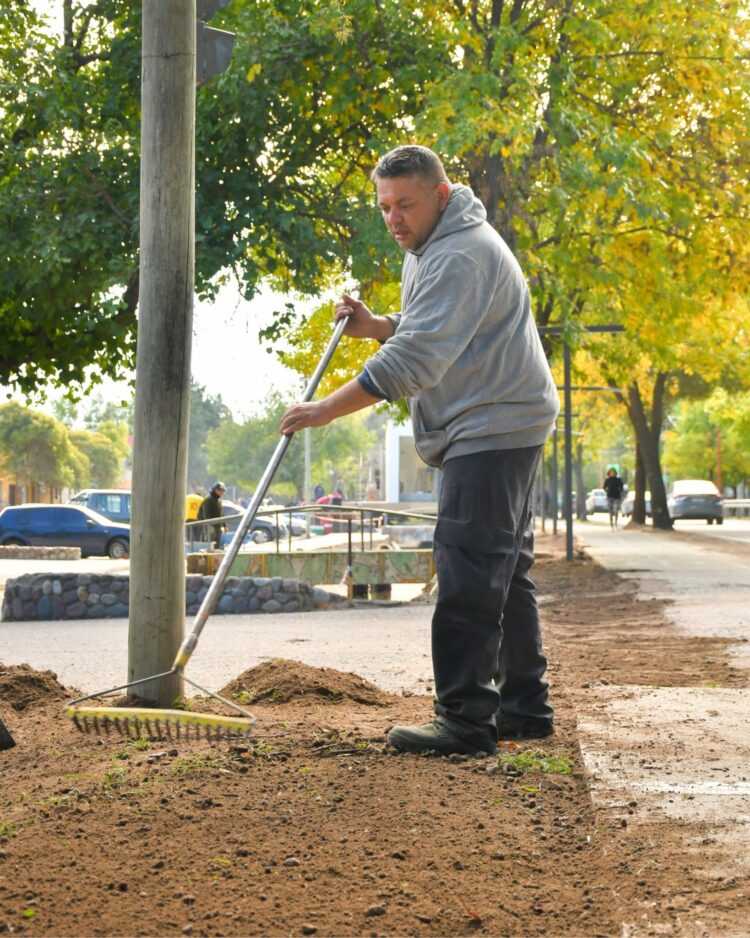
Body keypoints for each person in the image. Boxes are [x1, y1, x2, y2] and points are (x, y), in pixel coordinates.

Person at [280, 145, 559, 757]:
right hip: (504, 419)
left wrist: (325, 409)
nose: (393, 219)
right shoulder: (437, 246)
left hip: (490, 424)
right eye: (384, 207)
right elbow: (436, 324)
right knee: (504, 571)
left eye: (405, 204)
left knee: (466, 567)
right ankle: (524, 708)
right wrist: (380, 324)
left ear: (440, 194)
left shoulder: (460, 252)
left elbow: (416, 361)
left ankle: (463, 722)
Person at [197, 481, 226, 550]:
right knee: (210, 545)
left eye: (223, 491)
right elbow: (206, 515)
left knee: (217, 546)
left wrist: (224, 525)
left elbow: (221, 514)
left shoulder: (218, 501)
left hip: (218, 527)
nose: (222, 492)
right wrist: (210, 526)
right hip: (210, 526)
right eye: (220, 490)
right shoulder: (208, 500)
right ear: (216, 490)